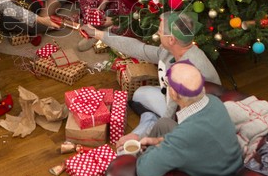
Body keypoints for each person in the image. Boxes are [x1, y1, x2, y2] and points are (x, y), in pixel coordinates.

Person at [82, 10, 221, 140]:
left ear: (171, 40)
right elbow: (138, 48)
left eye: (160, 31)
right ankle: (149, 116)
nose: (157, 33)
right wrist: (97, 33)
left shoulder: (184, 73)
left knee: (149, 118)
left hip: (188, 117)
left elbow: (170, 116)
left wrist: (141, 137)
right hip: (174, 100)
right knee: (139, 94)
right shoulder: (171, 50)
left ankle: (148, 119)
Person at [134, 61, 243, 176]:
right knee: (163, 123)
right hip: (221, 160)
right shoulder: (214, 101)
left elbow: (143, 172)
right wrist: (157, 141)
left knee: (141, 160)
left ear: (174, 94)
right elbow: (190, 139)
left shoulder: (185, 135)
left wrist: (152, 150)